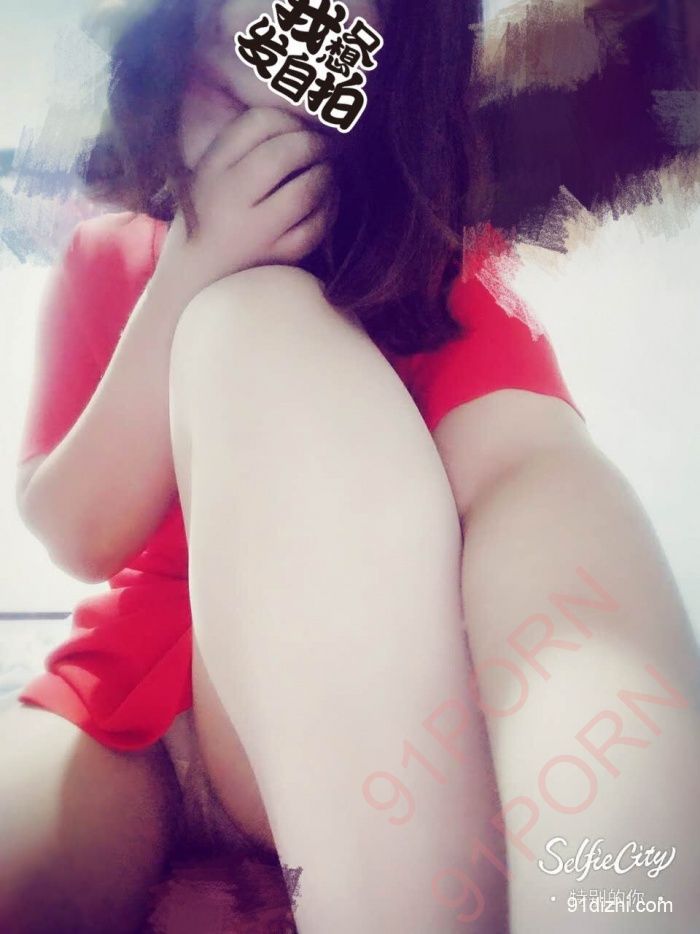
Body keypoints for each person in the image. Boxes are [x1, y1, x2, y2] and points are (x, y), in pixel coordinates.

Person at [2, 1, 699, 931]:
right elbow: (75, 531)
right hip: (129, 711)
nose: (270, 38)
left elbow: (532, 478)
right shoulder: (106, 255)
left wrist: (614, 851)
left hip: (346, 713)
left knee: (259, 328)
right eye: (224, 64)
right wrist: (185, 278)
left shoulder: (437, 266)